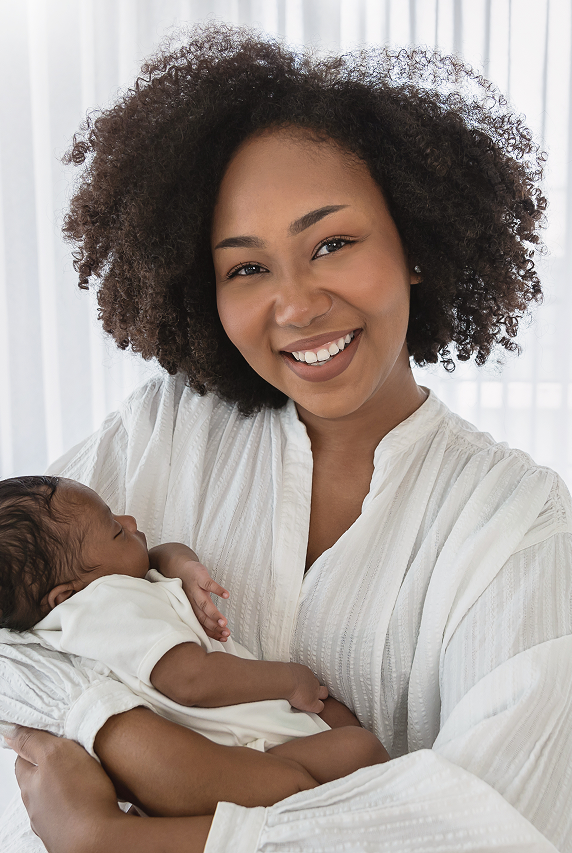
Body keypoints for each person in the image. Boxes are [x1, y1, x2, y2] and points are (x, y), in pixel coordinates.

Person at [1, 22, 571, 853]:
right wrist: (118, 729)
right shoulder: (162, 432)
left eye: (333, 243)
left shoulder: (517, 524)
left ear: (414, 242)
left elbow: (498, 825)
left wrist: (121, 834)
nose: (297, 306)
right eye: (247, 267)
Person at [0, 473, 387, 814]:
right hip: (241, 750)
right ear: (68, 596)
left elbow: (156, 554)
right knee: (360, 749)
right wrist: (287, 679)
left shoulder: (90, 602)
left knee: (341, 729)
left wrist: (184, 567)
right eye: (116, 530)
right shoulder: (103, 606)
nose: (130, 521)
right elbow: (190, 679)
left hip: (244, 738)